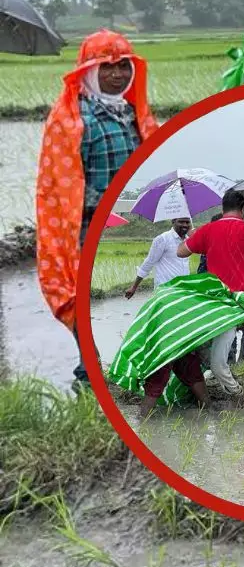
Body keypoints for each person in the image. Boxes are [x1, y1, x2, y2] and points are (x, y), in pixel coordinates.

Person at [35, 30, 159, 390]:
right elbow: (61, 187)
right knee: (87, 301)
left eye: (124, 67)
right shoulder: (74, 119)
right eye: (108, 68)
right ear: (89, 71)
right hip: (90, 229)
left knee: (122, 302)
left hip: (128, 227)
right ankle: (88, 382)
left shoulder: (133, 113)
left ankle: (114, 374)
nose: (118, 75)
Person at [107, 272, 244, 419]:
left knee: (191, 368)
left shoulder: (216, 307)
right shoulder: (229, 321)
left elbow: (201, 347)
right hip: (169, 333)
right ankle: (142, 419)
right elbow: (218, 366)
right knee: (158, 376)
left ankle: (208, 410)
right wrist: (238, 391)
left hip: (172, 324)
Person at [179, 190, 244, 386]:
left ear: (222, 209)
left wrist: (196, 238)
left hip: (220, 301)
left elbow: (181, 252)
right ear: (243, 209)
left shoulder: (207, 230)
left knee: (222, 345)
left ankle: (224, 382)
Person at [125, 217, 193, 299]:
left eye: (187, 222)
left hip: (183, 289)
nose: (185, 225)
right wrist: (134, 287)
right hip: (165, 289)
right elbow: (149, 263)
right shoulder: (162, 239)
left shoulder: (189, 239)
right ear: (173, 221)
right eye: (181, 222)